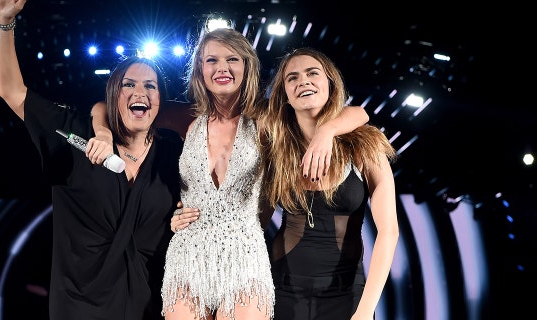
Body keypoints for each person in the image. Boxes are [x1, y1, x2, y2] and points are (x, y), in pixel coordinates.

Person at [91, 28, 369, 320]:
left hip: (245, 259)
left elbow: (359, 113)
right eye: (211, 60)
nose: (222, 68)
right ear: (200, 69)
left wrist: (327, 131)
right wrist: (102, 134)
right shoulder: (185, 117)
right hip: (188, 255)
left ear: (246, 66)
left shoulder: (266, 118)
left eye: (232, 59)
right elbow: (105, 108)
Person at [0, 0, 184, 319]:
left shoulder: (171, 152)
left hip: (151, 306)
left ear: (160, 100)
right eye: (129, 85)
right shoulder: (76, 138)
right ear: (113, 95)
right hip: (79, 308)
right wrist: (4, 23)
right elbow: (11, 92)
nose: (141, 92)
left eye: (150, 86)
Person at [260, 47, 399, 320]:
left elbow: (389, 233)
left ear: (330, 84)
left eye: (313, 73)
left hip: (346, 295)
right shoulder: (275, 149)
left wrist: (365, 310)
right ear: (284, 95)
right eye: (292, 78)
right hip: (280, 291)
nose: (304, 81)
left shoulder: (364, 146)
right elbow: (254, 222)